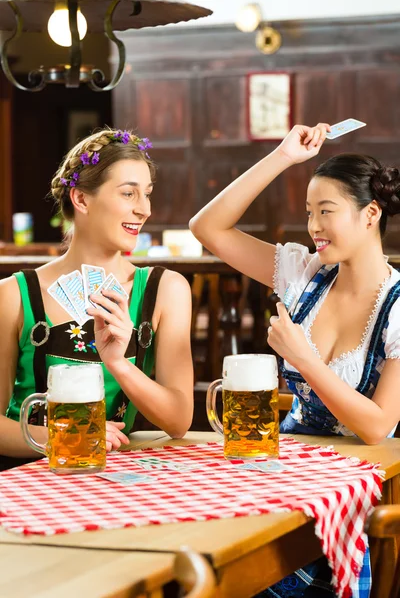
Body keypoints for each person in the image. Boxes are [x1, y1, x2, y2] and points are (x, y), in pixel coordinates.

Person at [189, 123, 400, 597]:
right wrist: (284, 156)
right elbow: (207, 228)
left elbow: (377, 426)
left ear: (370, 214)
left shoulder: (398, 305)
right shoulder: (304, 273)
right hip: (281, 474)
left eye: (326, 212)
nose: (313, 228)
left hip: (352, 493)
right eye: (309, 213)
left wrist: (306, 360)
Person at [0, 128, 193, 469]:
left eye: (147, 194)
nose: (144, 209)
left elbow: (178, 421)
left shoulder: (166, 289)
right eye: (128, 194)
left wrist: (118, 363)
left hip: (116, 476)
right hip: (29, 477)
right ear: (82, 199)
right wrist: (68, 435)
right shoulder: (14, 294)